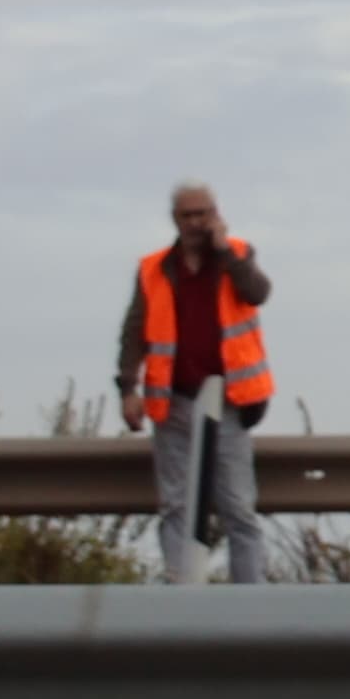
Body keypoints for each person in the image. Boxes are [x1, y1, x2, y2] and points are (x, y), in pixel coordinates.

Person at [114, 184, 276, 586]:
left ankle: (249, 599)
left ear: (216, 214)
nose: (195, 223)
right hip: (174, 401)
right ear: (175, 219)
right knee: (175, 506)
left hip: (230, 401)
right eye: (187, 215)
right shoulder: (155, 268)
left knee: (238, 506)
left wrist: (224, 251)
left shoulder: (236, 254)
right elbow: (134, 332)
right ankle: (179, 592)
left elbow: (257, 293)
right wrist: (128, 388)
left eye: (202, 214)